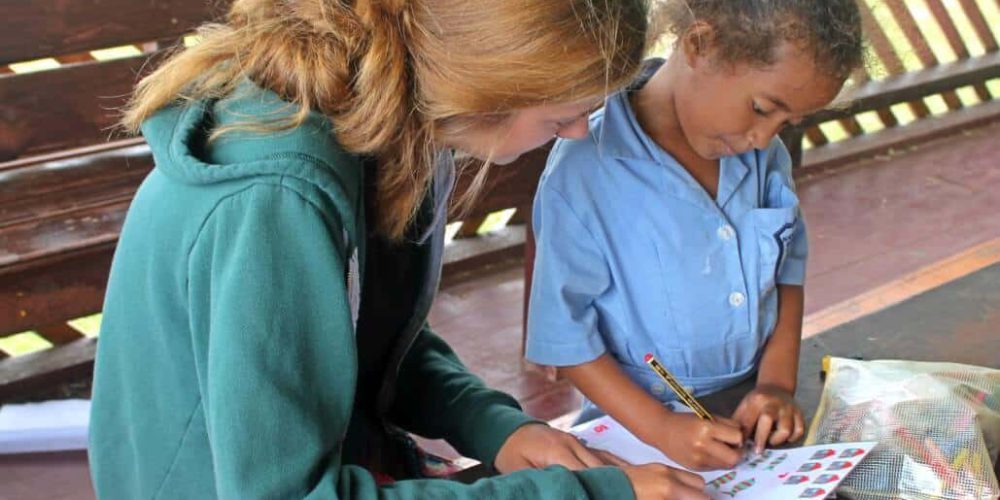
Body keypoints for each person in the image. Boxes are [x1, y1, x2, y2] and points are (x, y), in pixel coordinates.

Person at [87, 0, 712, 498]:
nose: (578, 130)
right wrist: (586, 494)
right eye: (569, 109)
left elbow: (365, 340)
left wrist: (496, 426)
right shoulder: (277, 199)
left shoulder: (404, 128)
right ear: (487, 81)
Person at [526, 0, 865, 472]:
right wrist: (663, 429)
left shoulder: (763, 158)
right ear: (701, 45)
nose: (766, 139)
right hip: (633, 432)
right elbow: (565, 338)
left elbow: (787, 271)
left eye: (785, 124)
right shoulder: (584, 172)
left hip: (748, 417)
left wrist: (775, 387)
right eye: (762, 108)